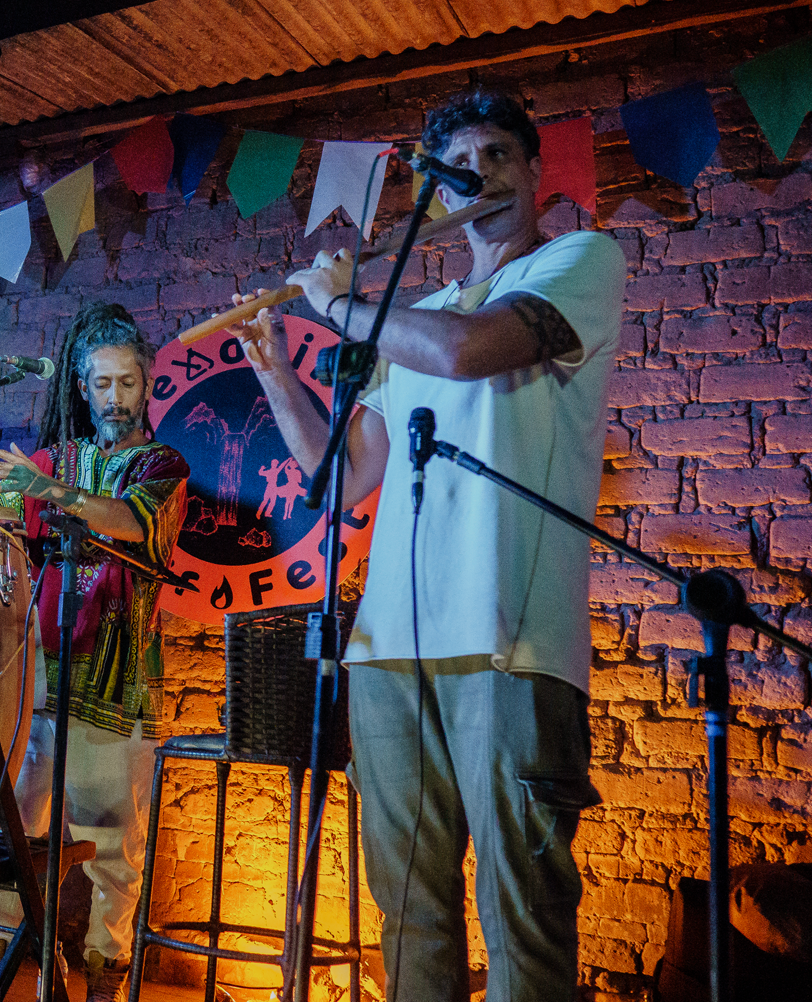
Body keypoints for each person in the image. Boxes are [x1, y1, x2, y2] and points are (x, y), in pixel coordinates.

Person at [228, 90, 624, 1001]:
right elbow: (342, 478)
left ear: (532, 171)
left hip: (510, 641)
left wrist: (342, 308)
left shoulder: (577, 260)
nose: (479, 176)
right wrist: (276, 369)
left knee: (521, 911)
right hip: (387, 652)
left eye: (496, 157)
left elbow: (468, 350)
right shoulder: (416, 311)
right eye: (459, 166)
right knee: (405, 907)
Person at [0, 303, 189, 1002]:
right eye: (101, 384)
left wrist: (50, 492)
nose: (114, 397)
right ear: (81, 389)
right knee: (14, 826)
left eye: (127, 384)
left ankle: (104, 972)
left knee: (113, 843)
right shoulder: (58, 459)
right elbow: (0, 516)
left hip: (117, 682)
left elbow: (131, 522)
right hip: (37, 677)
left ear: (147, 388)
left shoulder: (161, 463)